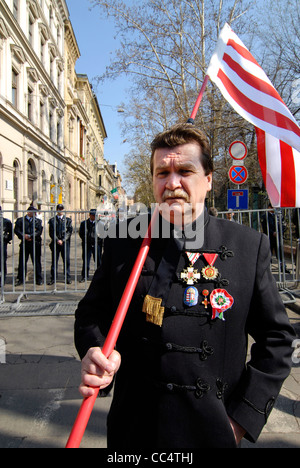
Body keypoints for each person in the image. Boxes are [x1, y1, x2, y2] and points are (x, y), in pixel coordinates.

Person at [74, 123, 295, 449]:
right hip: (134, 432)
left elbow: (277, 341)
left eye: (185, 171)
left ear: (207, 180)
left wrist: (240, 419)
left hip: (212, 430)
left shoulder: (248, 246)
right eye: (162, 172)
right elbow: (91, 315)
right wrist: (94, 350)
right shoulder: (124, 242)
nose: (172, 182)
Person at [14, 205, 43, 285]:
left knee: (36, 262)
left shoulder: (38, 221)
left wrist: (31, 236)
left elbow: (39, 231)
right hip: (24, 243)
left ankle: (38, 279)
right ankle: (20, 279)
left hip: (35, 243)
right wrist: (23, 236)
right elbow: (16, 230)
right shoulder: (21, 220)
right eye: (33, 212)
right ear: (29, 212)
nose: (35, 213)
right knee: (22, 261)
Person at [48, 204, 73, 285]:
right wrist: (57, 240)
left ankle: (67, 277)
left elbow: (69, 231)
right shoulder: (52, 220)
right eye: (59, 209)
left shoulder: (68, 220)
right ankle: (53, 278)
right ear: (57, 210)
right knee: (54, 261)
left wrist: (62, 240)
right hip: (55, 243)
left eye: (62, 209)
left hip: (65, 243)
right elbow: (51, 232)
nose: (61, 210)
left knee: (66, 261)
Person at [79, 209, 102, 282]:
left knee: (98, 261)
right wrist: (86, 240)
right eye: (92, 215)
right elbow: (81, 233)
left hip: (96, 245)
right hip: (87, 245)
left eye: (95, 215)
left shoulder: (100, 223)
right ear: (89, 215)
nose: (94, 216)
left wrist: (97, 241)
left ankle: (99, 276)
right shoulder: (84, 223)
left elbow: (102, 234)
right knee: (86, 261)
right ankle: (85, 276)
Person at [0, 207, 12, 284]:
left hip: (2, 244)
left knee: (2, 261)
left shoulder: (6, 222)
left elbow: (11, 233)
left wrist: (6, 239)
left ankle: (2, 279)